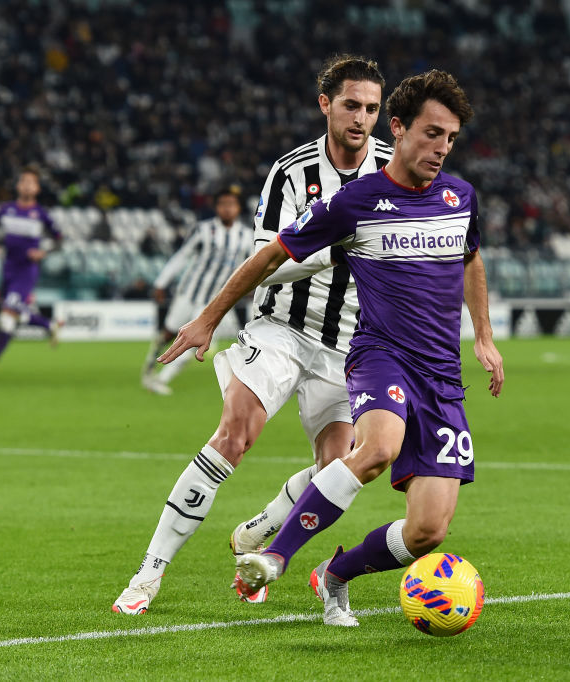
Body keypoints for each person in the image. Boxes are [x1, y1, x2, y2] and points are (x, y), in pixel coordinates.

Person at [160, 69, 504, 627]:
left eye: (451, 138)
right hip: (379, 355)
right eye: (431, 134)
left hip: (442, 378)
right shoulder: (356, 200)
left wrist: (484, 336)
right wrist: (209, 318)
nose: (442, 148)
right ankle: (276, 556)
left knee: (427, 533)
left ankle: (336, 574)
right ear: (398, 127)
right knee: (376, 449)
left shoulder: (457, 196)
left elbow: (470, 258)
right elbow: (272, 254)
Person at [112, 55, 392, 614]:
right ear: (326, 106)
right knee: (234, 435)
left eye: (372, 109)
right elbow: (267, 258)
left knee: (336, 470)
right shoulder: (291, 171)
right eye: (351, 105)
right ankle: (149, 572)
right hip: (281, 326)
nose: (362, 119)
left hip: (347, 345)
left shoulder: (392, 171)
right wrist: (330, 247)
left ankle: (259, 529)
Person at [141, 186, 255, 396]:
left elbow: (252, 266)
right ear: (216, 207)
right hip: (188, 294)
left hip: (215, 301)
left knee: (195, 341)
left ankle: (161, 379)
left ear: (238, 208)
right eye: (223, 204)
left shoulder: (247, 236)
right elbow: (182, 256)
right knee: (167, 333)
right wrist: (161, 283)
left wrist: (251, 288)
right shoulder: (203, 230)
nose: (227, 209)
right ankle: (149, 368)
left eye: (231, 205)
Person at [0, 166, 62, 383]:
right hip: (8, 268)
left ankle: (49, 325)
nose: (27, 185)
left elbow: (59, 239)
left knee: (10, 307)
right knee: (7, 322)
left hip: (27, 270)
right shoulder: (6, 209)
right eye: (24, 181)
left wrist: (43, 252)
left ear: (37, 189)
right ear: (19, 185)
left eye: (32, 182)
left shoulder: (41, 214)